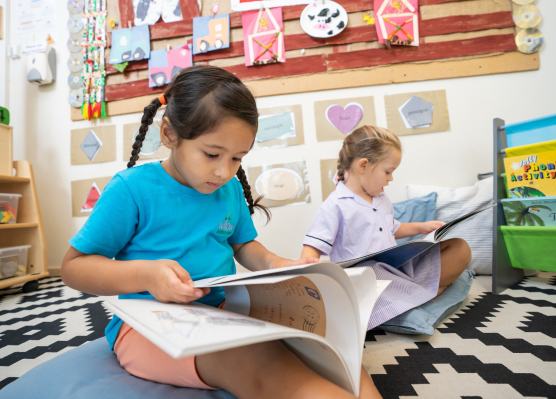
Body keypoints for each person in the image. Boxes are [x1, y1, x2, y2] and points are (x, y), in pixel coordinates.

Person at [61, 66, 382, 399]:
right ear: (170, 134)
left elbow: (243, 245)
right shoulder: (131, 190)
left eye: (237, 159)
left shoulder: (226, 191)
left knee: (334, 350)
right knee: (259, 363)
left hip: (224, 310)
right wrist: (145, 274)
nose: (224, 171)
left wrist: (274, 264)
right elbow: (74, 267)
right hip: (148, 325)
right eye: (212, 154)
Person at [301, 126, 472, 330]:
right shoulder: (335, 205)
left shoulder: (381, 199)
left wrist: (422, 227)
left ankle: (417, 294)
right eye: (388, 172)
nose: (391, 179)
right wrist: (309, 276)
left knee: (459, 248)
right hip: (370, 281)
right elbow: (312, 248)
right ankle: (427, 293)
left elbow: (393, 228)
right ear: (363, 165)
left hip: (399, 268)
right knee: (368, 295)